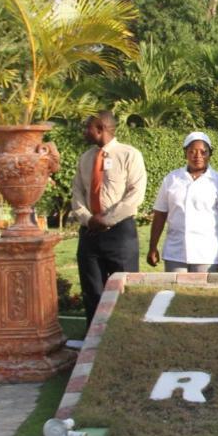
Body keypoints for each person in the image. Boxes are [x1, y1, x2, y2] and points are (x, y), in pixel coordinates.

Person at [70, 111, 147, 324]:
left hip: (119, 233)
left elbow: (135, 194)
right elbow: (77, 193)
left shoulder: (129, 155)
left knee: (124, 290)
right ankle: (93, 343)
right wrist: (87, 219)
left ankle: (123, 338)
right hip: (90, 233)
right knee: (92, 290)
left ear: (100, 128)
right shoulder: (85, 158)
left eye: (88, 127)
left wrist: (108, 219)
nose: (85, 132)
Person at [147, 132, 218, 273]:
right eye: (192, 151)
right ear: (185, 153)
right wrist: (153, 247)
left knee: (204, 293)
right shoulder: (171, 179)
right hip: (176, 251)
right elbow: (160, 214)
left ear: (210, 154)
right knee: (175, 293)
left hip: (207, 253)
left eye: (203, 152)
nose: (197, 156)